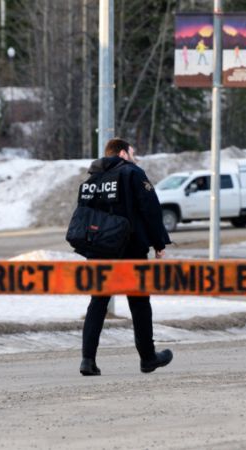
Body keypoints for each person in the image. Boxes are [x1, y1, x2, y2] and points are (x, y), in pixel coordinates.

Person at [78, 138, 173, 376]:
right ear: (123, 153)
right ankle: (148, 358)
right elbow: (150, 208)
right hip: (130, 249)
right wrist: (159, 242)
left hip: (99, 250)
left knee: (98, 302)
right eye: (132, 152)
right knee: (139, 303)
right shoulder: (132, 173)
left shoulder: (92, 179)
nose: (134, 156)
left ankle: (88, 360)